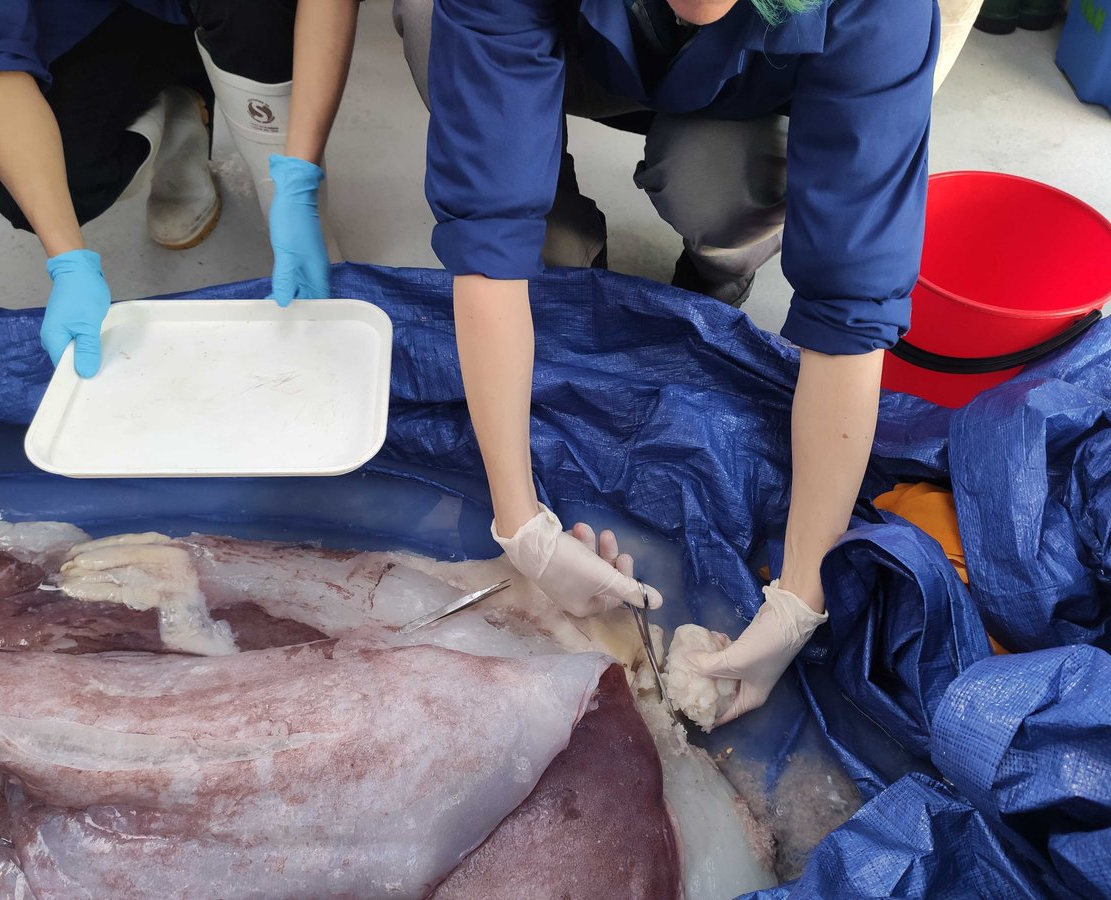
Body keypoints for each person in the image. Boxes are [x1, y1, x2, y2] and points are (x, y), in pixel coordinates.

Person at [388, 0, 940, 721]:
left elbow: (852, 302)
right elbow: (487, 235)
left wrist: (801, 594)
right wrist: (519, 522)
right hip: (584, 43)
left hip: (746, 84)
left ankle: (719, 267)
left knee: (714, 182)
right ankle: (565, 253)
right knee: (434, 28)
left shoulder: (880, 10)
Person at [0, 0, 356, 377]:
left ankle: (300, 227)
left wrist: (297, 177)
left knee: (257, 9)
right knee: (28, 188)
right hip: (95, 23)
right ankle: (178, 114)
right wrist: (68, 260)